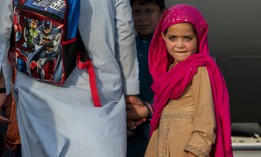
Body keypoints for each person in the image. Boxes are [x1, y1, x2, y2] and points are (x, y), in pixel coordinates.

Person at [0, 0, 142, 156]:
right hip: (97, 95)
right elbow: (124, 31)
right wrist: (130, 91)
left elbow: (3, 29)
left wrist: (4, 87)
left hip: (36, 93)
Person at [144, 4, 233, 157]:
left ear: (199, 37)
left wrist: (193, 154)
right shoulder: (169, 72)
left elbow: (205, 125)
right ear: (163, 38)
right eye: (172, 38)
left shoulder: (200, 70)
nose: (180, 45)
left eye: (188, 38)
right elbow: (159, 128)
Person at [126, 0, 166, 157]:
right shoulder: (126, 47)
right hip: (132, 132)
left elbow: (178, 90)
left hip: (162, 128)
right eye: (136, 12)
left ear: (163, 13)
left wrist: (147, 110)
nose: (142, 18)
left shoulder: (171, 47)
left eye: (149, 11)